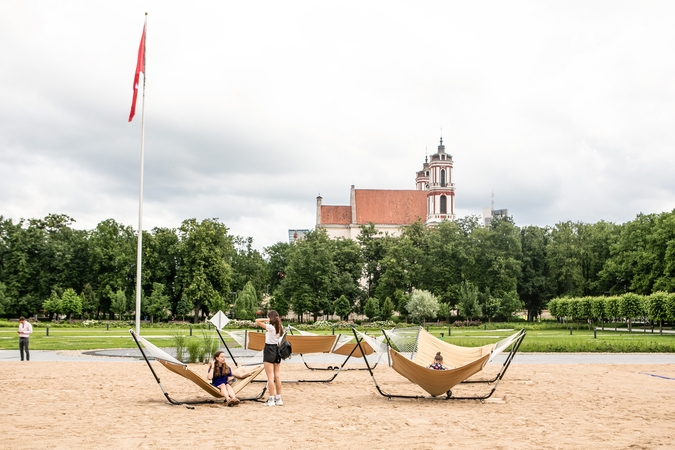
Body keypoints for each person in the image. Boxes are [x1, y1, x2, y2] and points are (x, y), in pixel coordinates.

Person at [255, 310, 284, 406]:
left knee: (270, 377)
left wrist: (267, 319)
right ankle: (278, 398)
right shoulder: (280, 327)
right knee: (277, 376)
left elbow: (257, 321)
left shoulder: (271, 327)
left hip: (269, 349)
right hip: (277, 350)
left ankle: (271, 398)